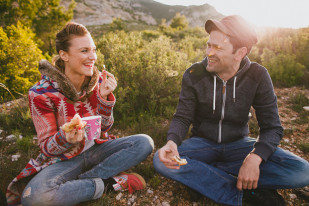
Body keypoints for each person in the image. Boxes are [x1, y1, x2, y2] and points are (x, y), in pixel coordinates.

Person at [153, 15, 309, 206]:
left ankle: (207, 176)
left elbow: (272, 127)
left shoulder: (258, 76)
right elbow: (182, 116)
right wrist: (172, 141)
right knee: (161, 161)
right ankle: (243, 194)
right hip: (202, 145)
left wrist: (255, 158)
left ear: (239, 53)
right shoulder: (194, 74)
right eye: (209, 45)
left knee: (303, 172)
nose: (209, 53)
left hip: (239, 146)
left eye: (217, 48)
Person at [6, 22, 154, 206]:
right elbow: (46, 147)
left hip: (98, 149)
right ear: (64, 55)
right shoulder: (40, 93)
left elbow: (105, 127)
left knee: (144, 142)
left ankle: (78, 184)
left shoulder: (99, 81)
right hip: (64, 159)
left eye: (93, 50)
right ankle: (111, 183)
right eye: (84, 51)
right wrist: (65, 138)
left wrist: (104, 98)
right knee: (34, 198)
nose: (92, 57)